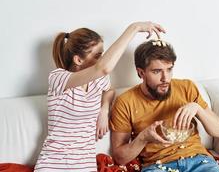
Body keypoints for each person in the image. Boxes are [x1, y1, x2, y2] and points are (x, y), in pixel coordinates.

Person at [34, 22, 165, 172]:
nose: (103, 59)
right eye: (98, 55)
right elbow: (103, 68)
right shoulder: (58, 78)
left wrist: (104, 109)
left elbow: (109, 91)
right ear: (78, 60)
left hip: (85, 166)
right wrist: (134, 28)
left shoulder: (99, 80)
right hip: (53, 165)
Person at [110, 40, 219, 172]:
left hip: (199, 161)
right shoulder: (125, 102)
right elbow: (120, 158)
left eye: (169, 69)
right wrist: (143, 138)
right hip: (157, 166)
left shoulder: (186, 87)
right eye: (157, 71)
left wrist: (197, 109)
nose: (165, 78)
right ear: (141, 73)